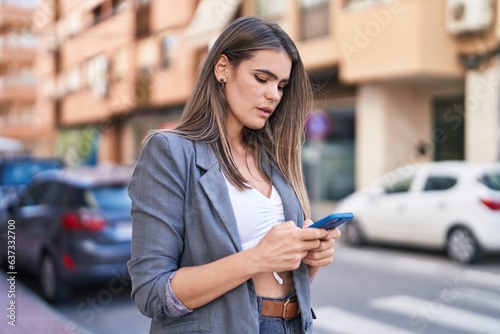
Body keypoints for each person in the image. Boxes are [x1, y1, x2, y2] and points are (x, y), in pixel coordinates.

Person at [127, 16, 341, 334]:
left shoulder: (274, 159)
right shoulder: (171, 151)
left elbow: (283, 274)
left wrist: (308, 258)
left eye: (281, 85)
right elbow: (153, 295)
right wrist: (258, 257)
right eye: (262, 78)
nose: (274, 95)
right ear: (223, 68)